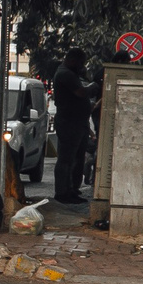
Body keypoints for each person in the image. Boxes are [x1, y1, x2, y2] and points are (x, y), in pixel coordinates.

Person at [51, 47, 94, 204]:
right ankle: (62, 192)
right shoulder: (65, 74)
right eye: (81, 62)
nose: (82, 65)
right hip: (68, 122)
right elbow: (81, 92)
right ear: (73, 60)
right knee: (66, 159)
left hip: (78, 122)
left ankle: (72, 189)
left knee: (77, 159)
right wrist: (93, 87)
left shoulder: (72, 73)